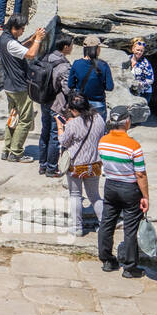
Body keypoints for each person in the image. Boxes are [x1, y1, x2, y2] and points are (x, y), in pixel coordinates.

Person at [98, 106, 150, 277]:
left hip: (111, 185)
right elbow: (140, 174)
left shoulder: (103, 141)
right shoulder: (133, 145)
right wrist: (145, 196)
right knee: (130, 228)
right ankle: (129, 267)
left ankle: (107, 260)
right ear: (127, 122)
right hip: (129, 188)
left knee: (107, 223)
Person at [0, 15, 45, 163]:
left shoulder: (3, 39)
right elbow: (31, 54)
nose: (22, 31)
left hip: (9, 86)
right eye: (21, 29)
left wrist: (30, 40)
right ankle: (16, 152)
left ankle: (7, 150)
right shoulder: (10, 42)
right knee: (25, 120)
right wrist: (37, 40)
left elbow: (17, 48)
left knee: (13, 118)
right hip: (19, 87)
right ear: (14, 28)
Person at [59, 95, 106, 238]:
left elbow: (64, 142)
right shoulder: (99, 118)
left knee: (75, 195)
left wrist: (61, 127)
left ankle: (77, 227)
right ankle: (104, 226)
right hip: (95, 163)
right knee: (95, 196)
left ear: (74, 110)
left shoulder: (73, 124)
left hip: (76, 165)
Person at [38, 34, 74, 177]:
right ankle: (51, 168)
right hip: (56, 104)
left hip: (44, 101)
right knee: (54, 135)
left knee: (44, 132)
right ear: (65, 47)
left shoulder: (47, 57)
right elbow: (67, 89)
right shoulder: (64, 65)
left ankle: (42, 165)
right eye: (71, 45)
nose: (72, 47)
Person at [68, 35, 115, 117]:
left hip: (81, 103)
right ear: (96, 49)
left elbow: (70, 85)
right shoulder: (103, 65)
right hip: (99, 103)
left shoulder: (77, 63)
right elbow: (109, 87)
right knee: (99, 129)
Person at [126, 37, 155, 102]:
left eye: (141, 51)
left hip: (144, 92)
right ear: (133, 49)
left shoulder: (145, 63)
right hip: (129, 90)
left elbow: (151, 79)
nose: (139, 52)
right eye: (138, 50)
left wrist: (141, 83)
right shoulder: (126, 59)